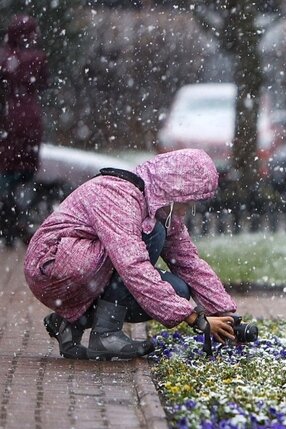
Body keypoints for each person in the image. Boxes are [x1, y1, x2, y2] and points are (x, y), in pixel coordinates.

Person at [24, 149, 238, 360]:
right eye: (187, 202)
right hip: (51, 265)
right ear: (174, 190)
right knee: (152, 234)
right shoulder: (119, 195)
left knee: (178, 290)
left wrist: (225, 313)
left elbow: (188, 262)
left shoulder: (157, 207)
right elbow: (132, 265)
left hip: (82, 267)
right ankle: (106, 334)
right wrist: (194, 318)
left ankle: (70, 324)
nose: (186, 210)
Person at [0, 14, 49, 247]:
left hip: (9, 119)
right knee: (25, 173)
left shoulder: (5, 57)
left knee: (7, 172)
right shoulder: (37, 58)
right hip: (31, 120)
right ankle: (20, 219)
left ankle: (10, 223)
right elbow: (43, 83)